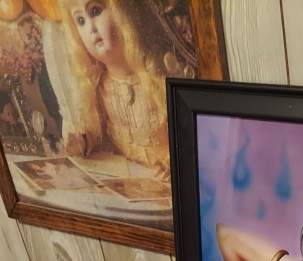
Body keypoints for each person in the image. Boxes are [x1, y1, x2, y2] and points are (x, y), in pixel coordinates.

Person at [54, 0, 197, 178]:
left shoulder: (157, 78)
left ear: (124, 12)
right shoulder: (97, 89)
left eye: (95, 11)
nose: (91, 28)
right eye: (80, 21)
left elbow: (191, 137)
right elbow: (97, 136)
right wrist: (83, 141)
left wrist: (174, 163)